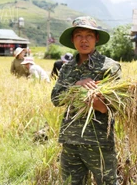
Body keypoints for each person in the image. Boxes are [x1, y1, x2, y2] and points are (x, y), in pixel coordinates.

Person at [51, 16, 122, 185]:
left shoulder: (109, 67)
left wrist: (86, 97)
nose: (84, 40)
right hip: (71, 142)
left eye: (89, 35)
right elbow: (56, 99)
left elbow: (110, 107)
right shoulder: (67, 67)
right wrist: (78, 86)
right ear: (72, 39)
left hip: (98, 142)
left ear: (96, 38)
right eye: (79, 36)